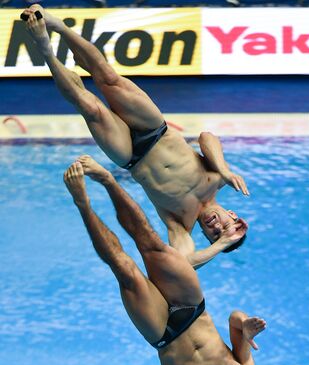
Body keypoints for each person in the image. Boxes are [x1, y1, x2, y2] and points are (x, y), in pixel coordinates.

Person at [63, 159, 266, 365]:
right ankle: (107, 181)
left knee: (124, 269)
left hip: (162, 330)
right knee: (150, 242)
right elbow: (235, 318)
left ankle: (82, 202)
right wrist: (247, 325)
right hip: (192, 307)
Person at [22, 5, 249, 268]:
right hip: (155, 129)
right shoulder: (218, 178)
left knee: (89, 107)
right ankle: (56, 25)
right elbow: (206, 136)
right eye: (225, 226)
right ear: (233, 215)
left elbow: (185, 263)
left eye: (214, 235)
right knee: (108, 77)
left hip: (130, 154)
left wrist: (222, 244)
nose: (216, 228)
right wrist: (225, 169)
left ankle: (44, 47)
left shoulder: (180, 224)